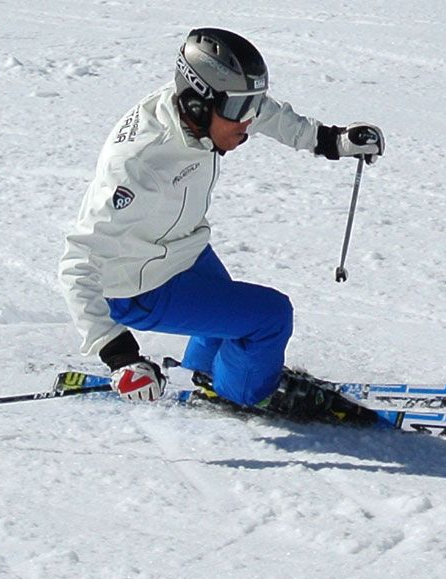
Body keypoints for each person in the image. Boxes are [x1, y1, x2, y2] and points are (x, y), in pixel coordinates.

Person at [58, 27, 385, 413]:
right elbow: (77, 263)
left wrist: (329, 140)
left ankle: (200, 373)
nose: (248, 120)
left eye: (253, 104)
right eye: (238, 109)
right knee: (269, 317)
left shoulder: (199, 111)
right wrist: (119, 354)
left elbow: (263, 113)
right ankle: (248, 393)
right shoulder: (138, 165)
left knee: (228, 316)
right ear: (197, 105)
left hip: (182, 250)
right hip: (138, 287)